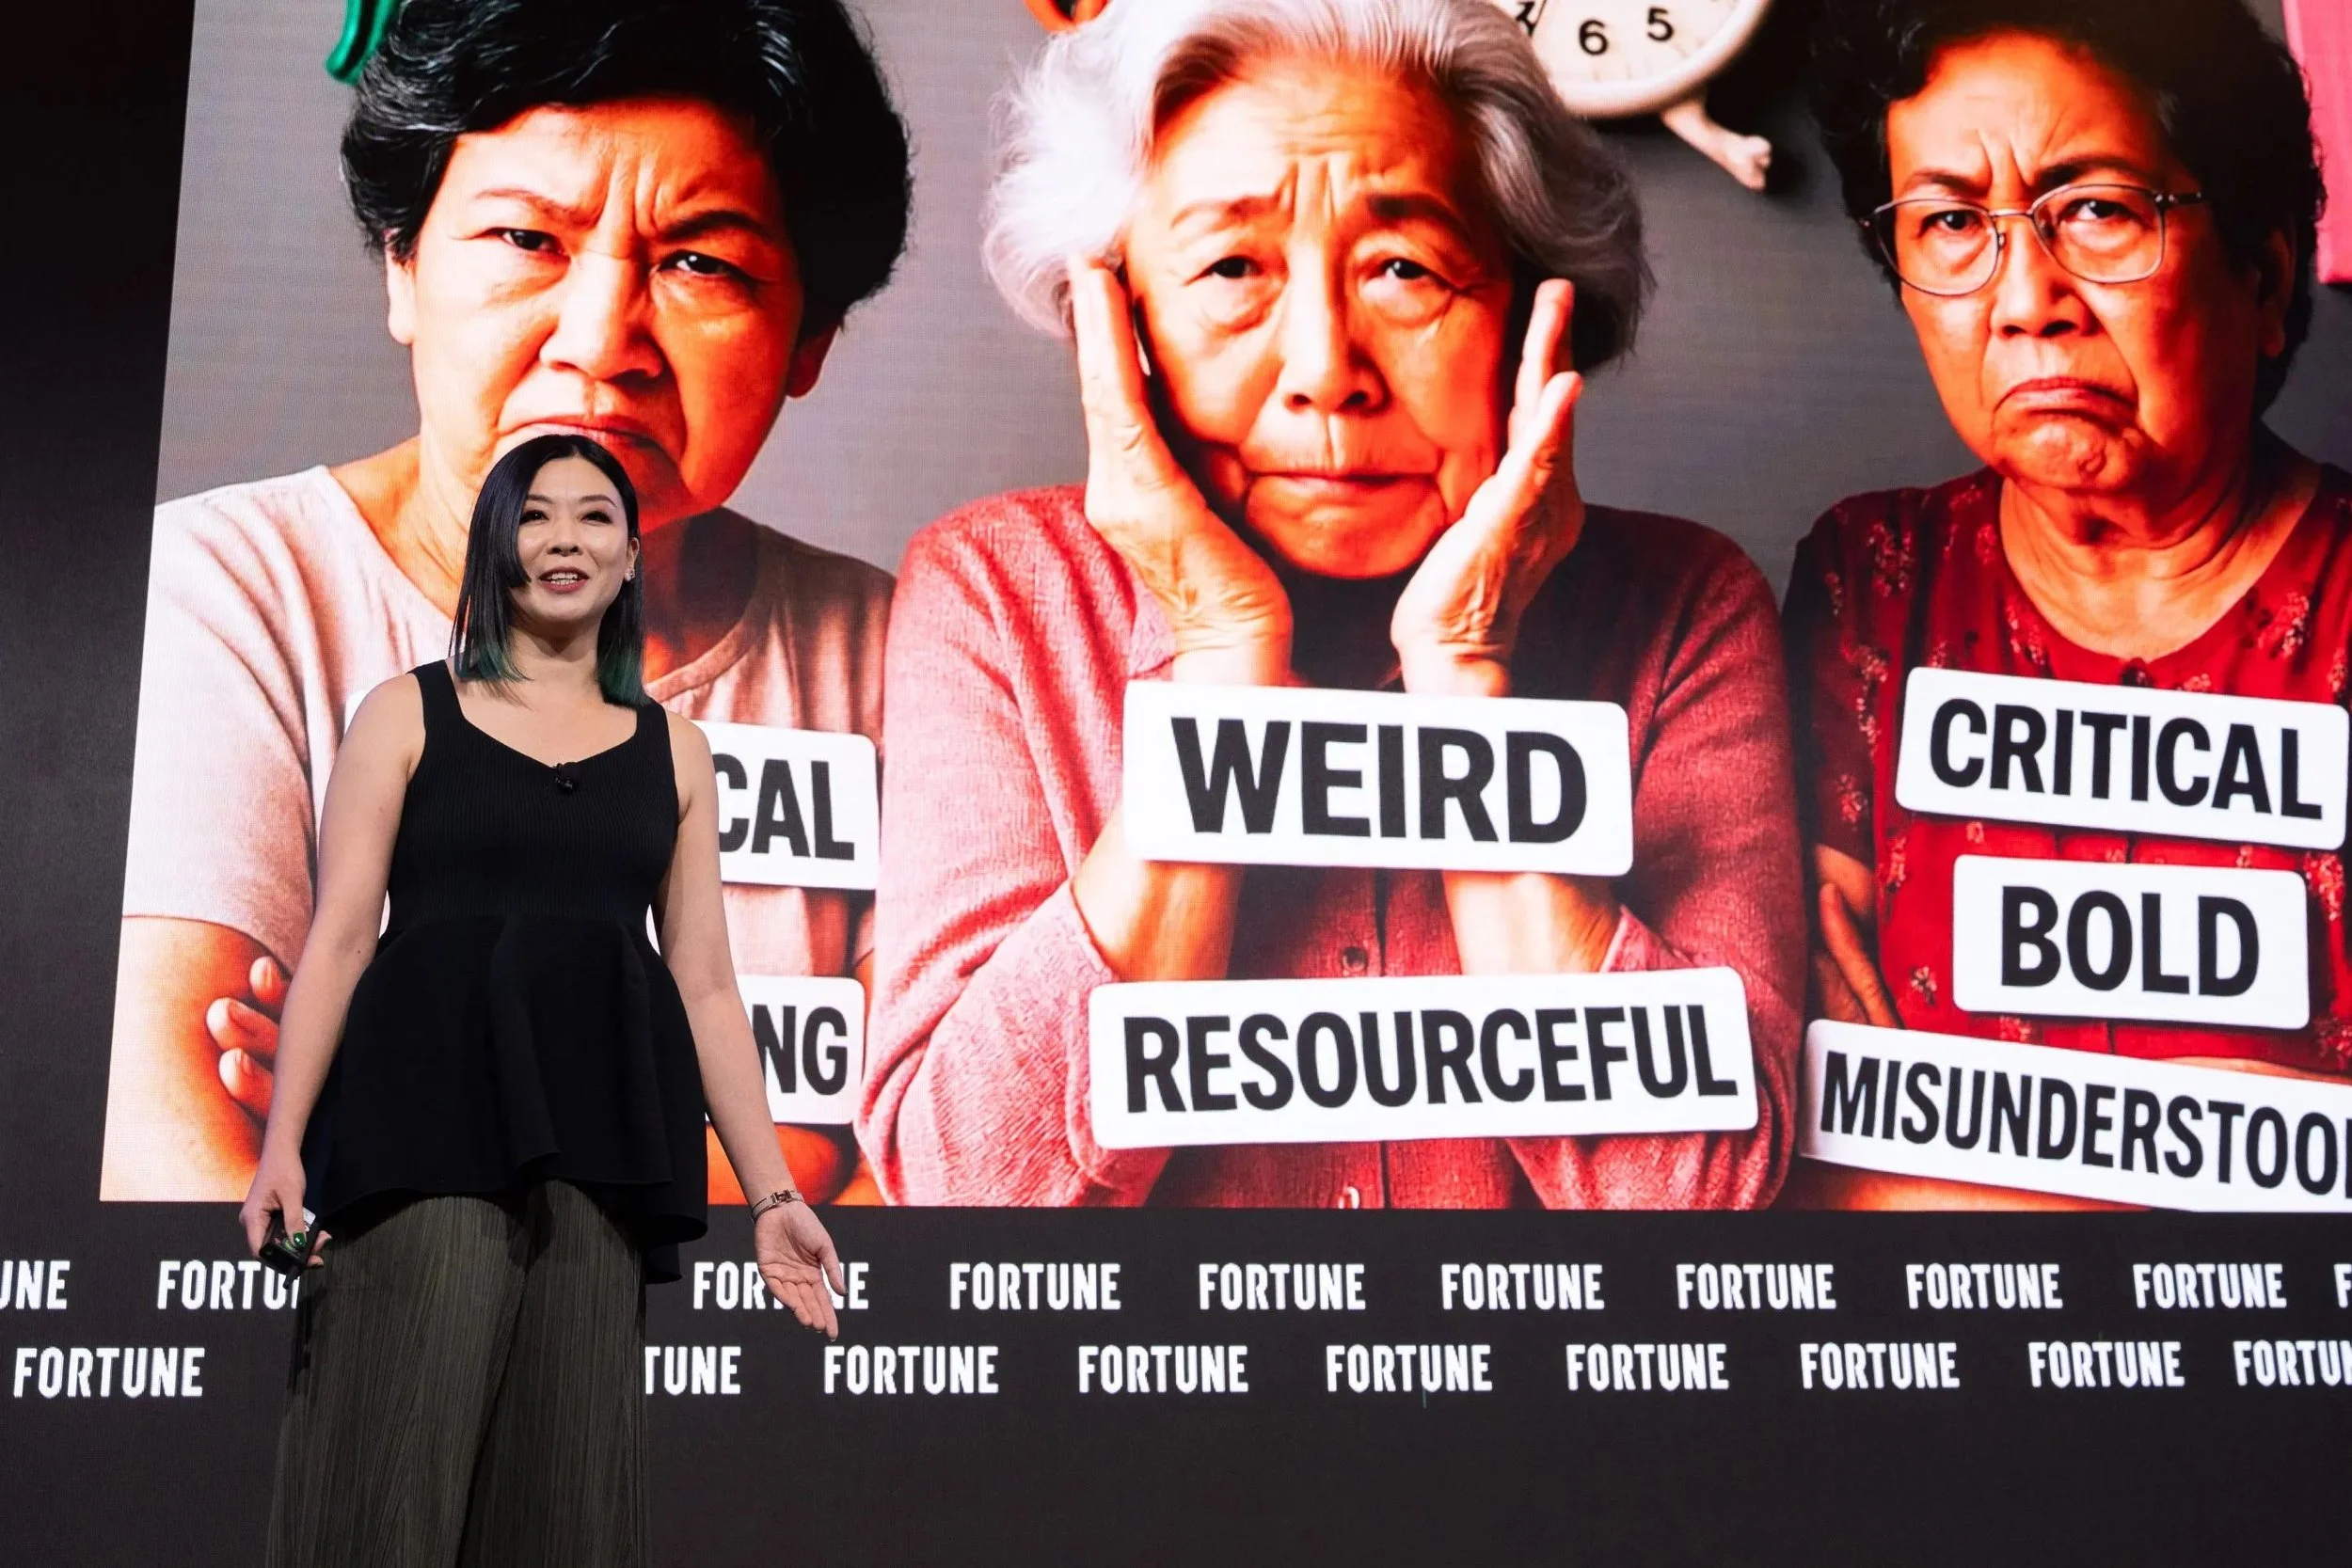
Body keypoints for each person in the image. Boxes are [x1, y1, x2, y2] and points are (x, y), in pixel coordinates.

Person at [863, 0, 1804, 1208]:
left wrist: (1467, 676)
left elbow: (1698, 1196)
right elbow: (968, 1205)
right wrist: (1217, 659)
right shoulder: (994, 598)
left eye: (1404, 269)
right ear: (1119, 327)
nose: (1323, 371)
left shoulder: (1686, 610)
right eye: (1232, 270)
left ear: (1530, 309)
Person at [103, 0, 910, 1205]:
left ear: (811, 340)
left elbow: (919, 1199)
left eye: (701, 260)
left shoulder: (901, 658)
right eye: (528, 238)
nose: (599, 343)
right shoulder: (227, 596)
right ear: (403, 263)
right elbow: (180, 1158)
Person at [240, 436, 843, 1565]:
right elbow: (336, 941)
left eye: (595, 518)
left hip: (601, 1156)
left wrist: (771, 1196)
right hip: (421, 1138)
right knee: (381, 1485)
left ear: (628, 559)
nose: (565, 538)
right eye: (536, 515)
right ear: (495, 547)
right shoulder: (405, 713)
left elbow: (706, 982)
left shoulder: (676, 750)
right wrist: (283, 1148)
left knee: (567, 1503)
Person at [1786, 0, 2347, 1208]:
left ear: (2261, 276)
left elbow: (1887, 1172)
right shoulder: (1867, 585)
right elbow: (1805, 1119)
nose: (2023, 297)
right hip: (1946, 1380)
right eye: (1948, 222)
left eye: (2093, 207)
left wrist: (1948, 1177)